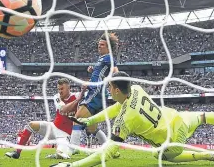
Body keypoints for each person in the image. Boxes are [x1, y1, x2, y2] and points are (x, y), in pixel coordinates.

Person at [51, 71, 214, 167]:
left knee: (160, 156)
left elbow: (106, 154)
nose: (108, 90)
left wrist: (72, 165)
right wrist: (90, 121)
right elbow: (116, 107)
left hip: (172, 142)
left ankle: (207, 156)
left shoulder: (124, 121)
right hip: (178, 118)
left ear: (115, 90)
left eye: (109, 87)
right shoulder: (136, 88)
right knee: (204, 116)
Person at [67, 32, 119, 156]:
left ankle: (73, 148)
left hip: (96, 93)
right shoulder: (101, 59)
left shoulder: (108, 58)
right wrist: (90, 78)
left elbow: (115, 70)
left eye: (102, 45)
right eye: (98, 44)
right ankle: (111, 150)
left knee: (78, 118)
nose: (99, 46)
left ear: (108, 47)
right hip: (96, 91)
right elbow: (99, 76)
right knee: (92, 128)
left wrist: (116, 79)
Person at [5, 78, 82, 159]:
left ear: (69, 88)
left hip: (65, 134)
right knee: (31, 125)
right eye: (58, 89)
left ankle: (57, 154)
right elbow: (63, 109)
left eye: (62, 89)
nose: (60, 91)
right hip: (54, 127)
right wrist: (77, 101)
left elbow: (88, 94)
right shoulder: (57, 97)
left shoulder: (76, 96)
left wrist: (84, 91)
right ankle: (17, 152)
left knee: (61, 154)